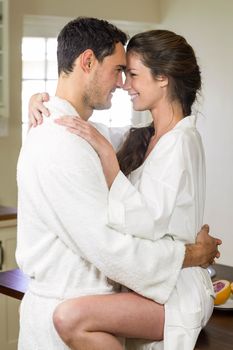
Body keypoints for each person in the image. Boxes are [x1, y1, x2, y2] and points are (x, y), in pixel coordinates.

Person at [20, 18, 220, 350]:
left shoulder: (171, 142)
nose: (123, 82)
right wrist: (190, 254)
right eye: (118, 70)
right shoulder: (64, 141)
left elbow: (141, 220)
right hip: (70, 308)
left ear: (163, 79)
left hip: (126, 301)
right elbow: (111, 245)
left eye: (131, 73)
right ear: (87, 61)